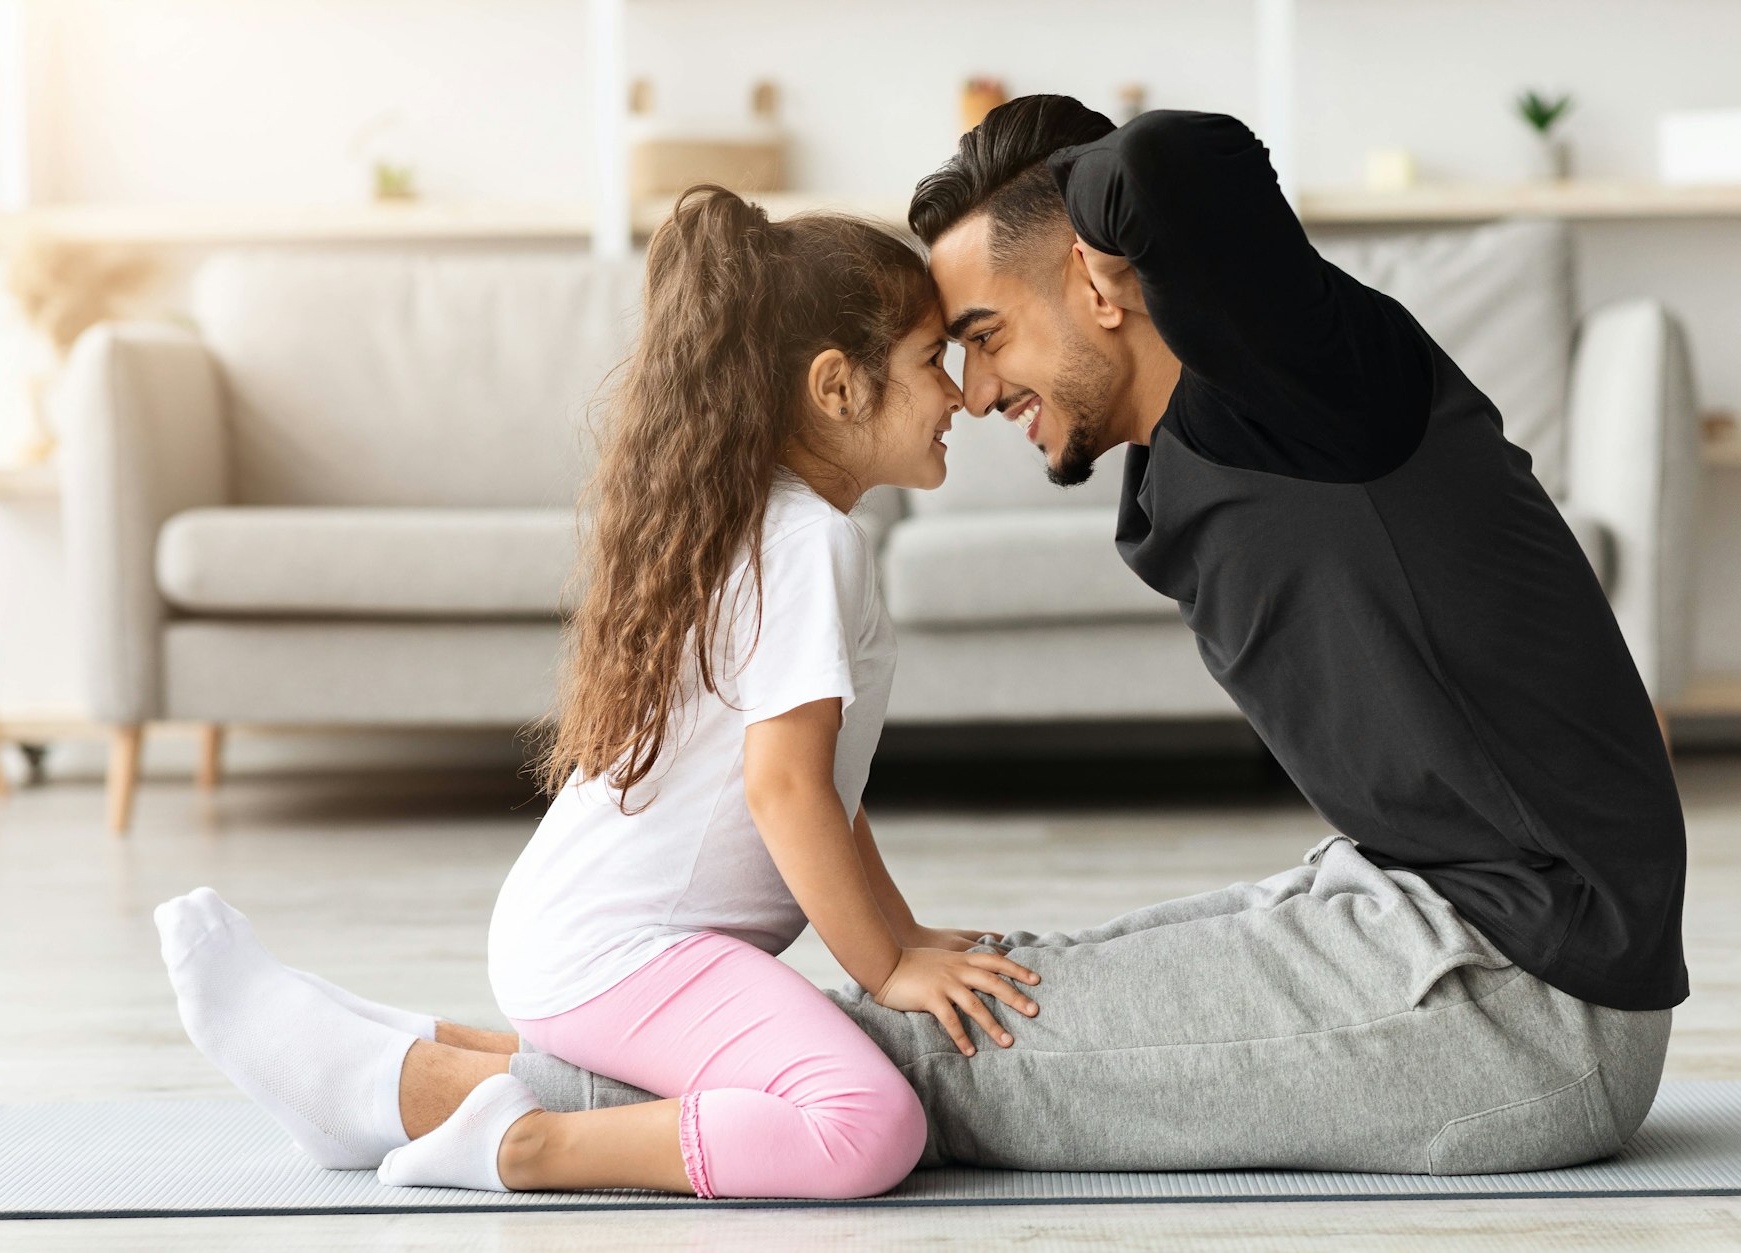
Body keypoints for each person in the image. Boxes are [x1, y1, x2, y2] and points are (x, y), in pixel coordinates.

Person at [416, 99, 1689, 1176]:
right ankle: (524, 1060)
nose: (972, 390)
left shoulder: (1301, 380)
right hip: (1413, 905)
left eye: (981, 336)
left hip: (1528, 991)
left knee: (930, 1059)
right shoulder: (1196, 449)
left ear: (1096, 278)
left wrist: (1065, 198)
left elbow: (1181, 161)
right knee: (999, 980)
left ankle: (455, 1097)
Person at [152, 184, 1042, 1201]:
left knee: (754, 1085)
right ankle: (518, 1147)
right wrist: (884, 967)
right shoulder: (810, 542)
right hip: (619, 949)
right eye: (931, 361)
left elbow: (823, 785)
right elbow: (786, 791)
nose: (961, 395)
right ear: (837, 386)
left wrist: (904, 929)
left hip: (583, 939)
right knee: (863, 1122)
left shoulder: (774, 525)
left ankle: (365, 1069)